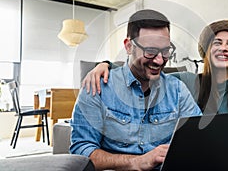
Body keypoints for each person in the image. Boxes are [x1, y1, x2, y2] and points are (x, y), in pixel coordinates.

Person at [82, 19, 228, 170]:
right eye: (217, 43)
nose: (223, 48)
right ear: (207, 53)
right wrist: (105, 64)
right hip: (204, 150)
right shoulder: (185, 81)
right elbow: (147, 71)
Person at [70, 9, 203, 171]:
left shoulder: (178, 89)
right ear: (128, 46)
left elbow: (199, 139)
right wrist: (137, 162)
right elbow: (81, 152)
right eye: (150, 51)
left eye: (166, 51)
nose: (160, 60)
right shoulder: (97, 87)